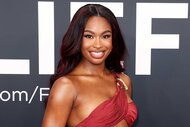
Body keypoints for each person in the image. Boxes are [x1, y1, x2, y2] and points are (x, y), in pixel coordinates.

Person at [42, 4, 137, 127]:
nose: (97, 44)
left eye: (105, 36)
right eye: (89, 36)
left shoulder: (123, 81)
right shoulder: (66, 85)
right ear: (77, 39)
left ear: (114, 39)